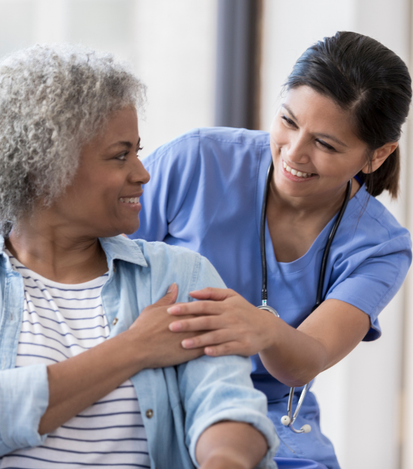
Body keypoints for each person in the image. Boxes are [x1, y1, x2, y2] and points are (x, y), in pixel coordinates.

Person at [130, 31, 413, 469]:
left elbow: (307, 361)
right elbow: (96, 260)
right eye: (288, 121)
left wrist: (265, 329)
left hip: (271, 414)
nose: (294, 153)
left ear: (377, 155)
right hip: (150, 383)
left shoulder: (380, 246)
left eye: (325, 144)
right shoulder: (200, 160)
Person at [0, 44, 278, 469]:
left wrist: (226, 460)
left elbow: (225, 400)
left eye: (138, 150)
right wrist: (134, 348)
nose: (143, 173)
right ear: (45, 171)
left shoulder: (178, 275)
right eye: (120, 155)